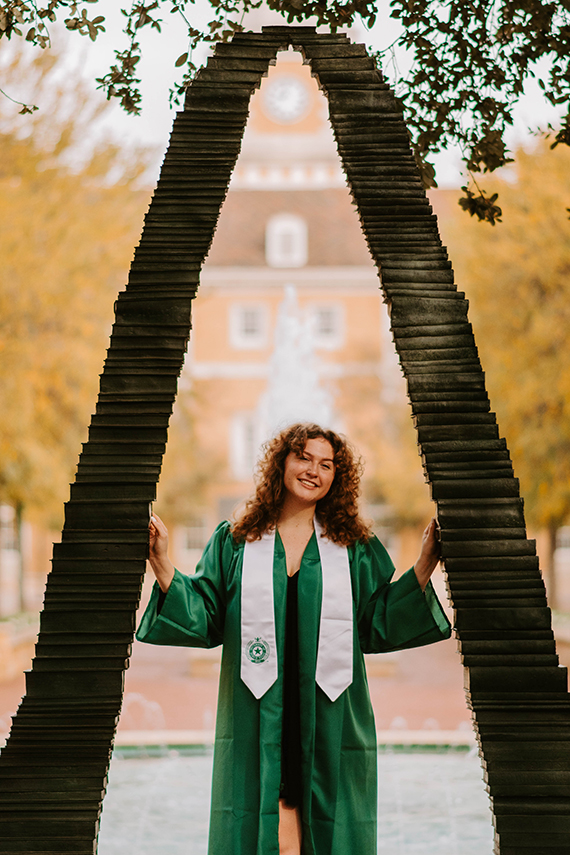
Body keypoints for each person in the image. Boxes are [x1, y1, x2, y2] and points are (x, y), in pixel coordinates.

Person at [136, 422, 451, 855]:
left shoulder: (354, 545)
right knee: (262, 817)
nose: (313, 471)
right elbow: (207, 615)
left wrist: (424, 564)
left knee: (326, 818)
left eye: (326, 464)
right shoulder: (236, 542)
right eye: (303, 457)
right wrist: (163, 563)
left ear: (337, 477)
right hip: (258, 708)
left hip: (329, 709)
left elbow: (377, 621)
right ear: (281, 463)